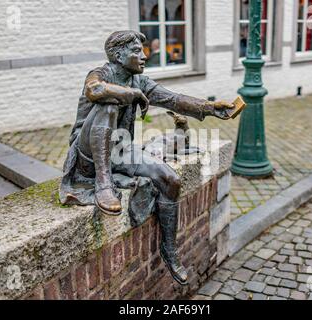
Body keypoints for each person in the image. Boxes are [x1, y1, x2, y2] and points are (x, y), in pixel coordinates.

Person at [60, 30, 242, 285]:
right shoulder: (100, 74)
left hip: (120, 149)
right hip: (87, 156)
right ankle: (104, 184)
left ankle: (169, 249)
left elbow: (173, 99)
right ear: (117, 55)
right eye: (136, 51)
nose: (144, 56)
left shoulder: (140, 81)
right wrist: (129, 95)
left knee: (170, 179)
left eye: (142, 50)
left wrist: (210, 108)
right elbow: (95, 90)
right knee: (108, 102)